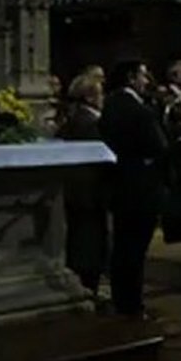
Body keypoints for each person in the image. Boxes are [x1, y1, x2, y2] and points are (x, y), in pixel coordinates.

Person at [99, 60, 169, 319]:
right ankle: (133, 305)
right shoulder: (139, 110)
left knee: (123, 247)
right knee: (136, 249)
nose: (146, 81)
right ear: (130, 78)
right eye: (142, 75)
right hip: (141, 187)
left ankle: (122, 302)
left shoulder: (110, 105)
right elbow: (159, 147)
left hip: (119, 185)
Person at [56, 69, 108, 297]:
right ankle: (89, 287)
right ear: (89, 96)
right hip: (89, 192)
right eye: (100, 93)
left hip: (80, 192)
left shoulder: (76, 119)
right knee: (89, 242)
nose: (103, 97)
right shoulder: (89, 123)